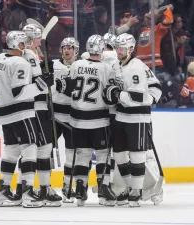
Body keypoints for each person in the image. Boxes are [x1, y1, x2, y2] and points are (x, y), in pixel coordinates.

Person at [0, 31, 53, 208]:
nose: (26, 46)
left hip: (3, 111)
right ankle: (27, 193)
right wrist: (42, 84)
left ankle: (3, 193)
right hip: (20, 111)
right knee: (30, 148)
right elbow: (19, 93)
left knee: (11, 151)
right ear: (19, 45)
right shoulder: (21, 62)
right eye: (24, 43)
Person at [56, 34, 116, 206]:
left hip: (77, 120)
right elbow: (111, 97)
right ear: (102, 49)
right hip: (99, 120)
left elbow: (67, 90)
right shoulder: (106, 69)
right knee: (103, 154)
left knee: (82, 154)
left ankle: (80, 188)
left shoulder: (76, 65)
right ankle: (103, 189)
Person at [102, 33, 159, 207]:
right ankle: (130, 187)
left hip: (138, 117)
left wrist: (116, 94)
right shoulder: (118, 65)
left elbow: (137, 96)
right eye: (117, 48)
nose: (118, 51)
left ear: (131, 49)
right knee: (119, 155)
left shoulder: (135, 68)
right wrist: (111, 92)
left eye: (121, 49)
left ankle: (137, 190)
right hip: (122, 116)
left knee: (136, 154)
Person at [21, 23, 62, 206]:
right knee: (37, 150)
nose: (39, 41)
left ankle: (43, 188)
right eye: (37, 38)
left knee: (42, 149)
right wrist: (46, 73)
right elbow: (38, 82)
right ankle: (31, 189)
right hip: (35, 107)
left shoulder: (33, 54)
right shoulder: (28, 55)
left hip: (40, 107)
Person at [52, 37, 79, 203]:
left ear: (76, 50)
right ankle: (44, 187)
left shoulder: (81, 66)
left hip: (72, 116)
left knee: (72, 154)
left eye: (70, 48)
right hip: (54, 115)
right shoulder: (53, 65)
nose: (67, 50)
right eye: (64, 47)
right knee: (45, 152)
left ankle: (68, 186)